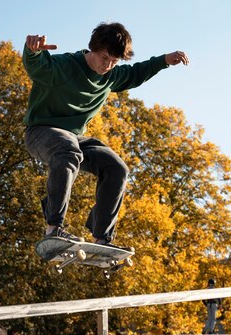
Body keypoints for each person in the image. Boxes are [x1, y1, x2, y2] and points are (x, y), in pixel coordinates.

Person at [22, 22, 189, 245]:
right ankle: (53, 228)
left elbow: (136, 73)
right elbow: (38, 67)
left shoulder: (111, 77)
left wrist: (164, 61)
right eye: (104, 57)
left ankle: (101, 237)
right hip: (40, 132)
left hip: (74, 138)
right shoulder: (65, 65)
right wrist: (32, 51)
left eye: (114, 61)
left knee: (117, 168)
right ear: (93, 48)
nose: (107, 65)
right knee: (67, 150)